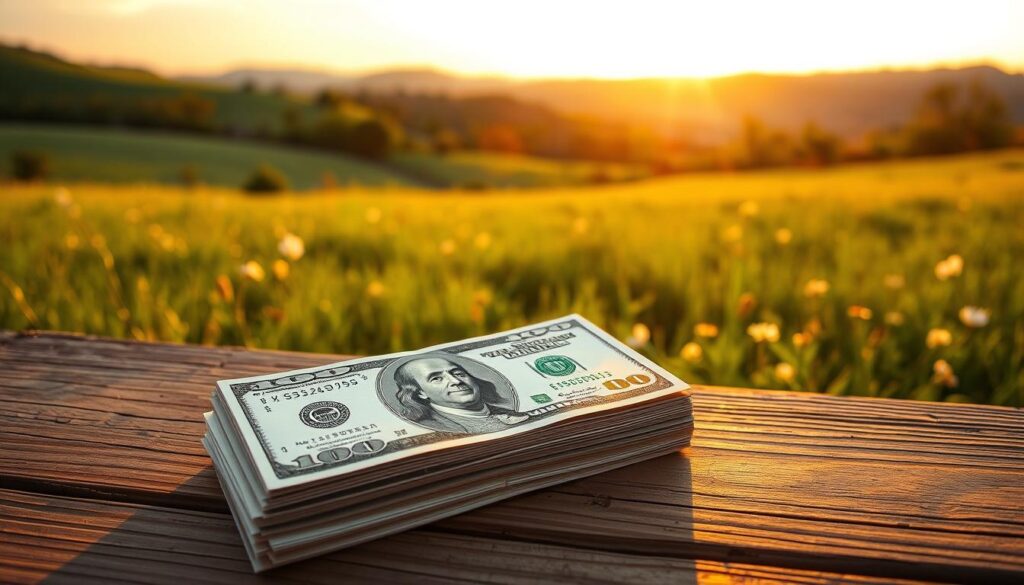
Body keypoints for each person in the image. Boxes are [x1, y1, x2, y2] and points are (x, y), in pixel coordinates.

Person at [394, 356, 528, 434]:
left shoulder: (510, 412)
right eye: (436, 378)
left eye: (458, 373)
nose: (456, 381)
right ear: (420, 393)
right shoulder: (432, 427)